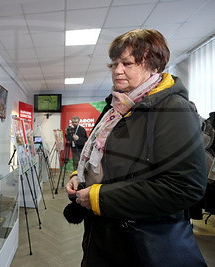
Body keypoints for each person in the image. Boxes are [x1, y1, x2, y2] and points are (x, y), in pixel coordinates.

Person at [65, 29, 207, 266]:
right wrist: (80, 177)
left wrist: (101, 196)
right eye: (114, 64)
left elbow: (185, 187)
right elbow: (103, 158)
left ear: (153, 65)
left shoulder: (174, 109)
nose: (117, 71)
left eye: (127, 63)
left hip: (142, 242)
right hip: (104, 233)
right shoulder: (116, 106)